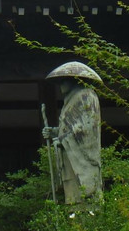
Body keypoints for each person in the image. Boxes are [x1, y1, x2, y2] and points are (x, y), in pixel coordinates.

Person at [43, 61, 103, 205]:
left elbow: (87, 127)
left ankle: (85, 213)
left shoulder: (86, 95)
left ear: (73, 80)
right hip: (69, 152)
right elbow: (68, 127)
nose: (60, 85)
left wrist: (62, 138)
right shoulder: (69, 100)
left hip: (81, 154)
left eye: (63, 81)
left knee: (84, 194)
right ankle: (74, 213)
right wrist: (54, 132)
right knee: (72, 192)